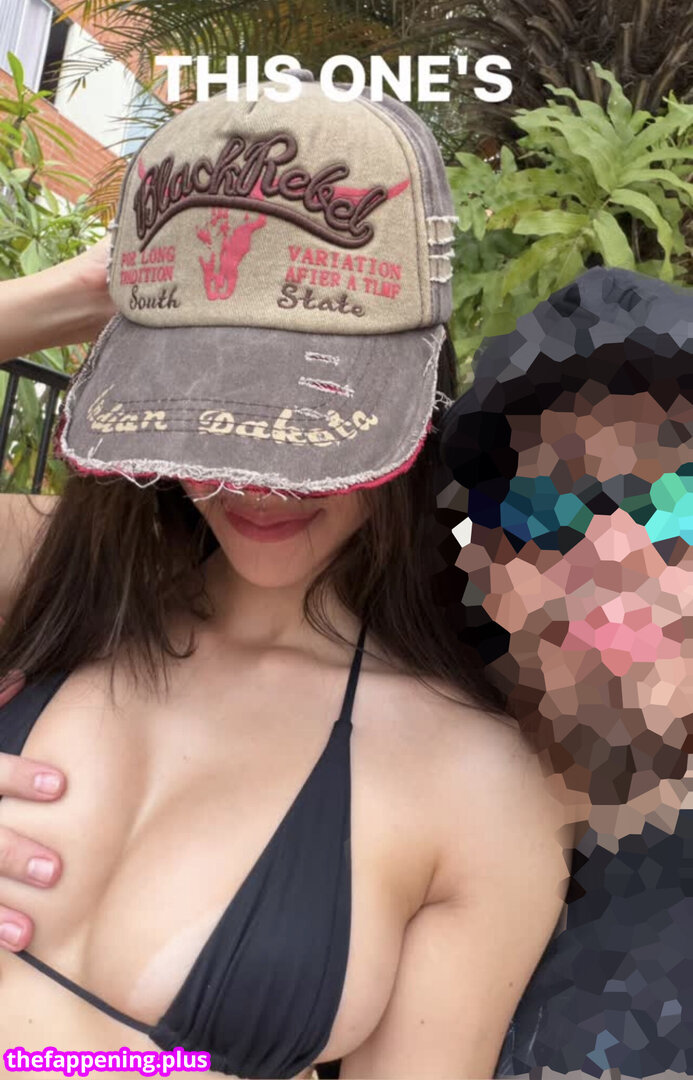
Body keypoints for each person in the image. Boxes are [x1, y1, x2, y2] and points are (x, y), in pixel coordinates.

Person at [0, 73, 567, 1080]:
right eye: (203, 412)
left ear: (417, 402)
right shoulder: (46, 571)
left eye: (307, 419)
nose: (252, 478)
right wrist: (83, 297)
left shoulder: (476, 785)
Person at [437, 266, 693, 1077]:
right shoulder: (384, 811)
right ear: (480, 566)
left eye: (676, 504)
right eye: (548, 508)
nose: (614, 551)